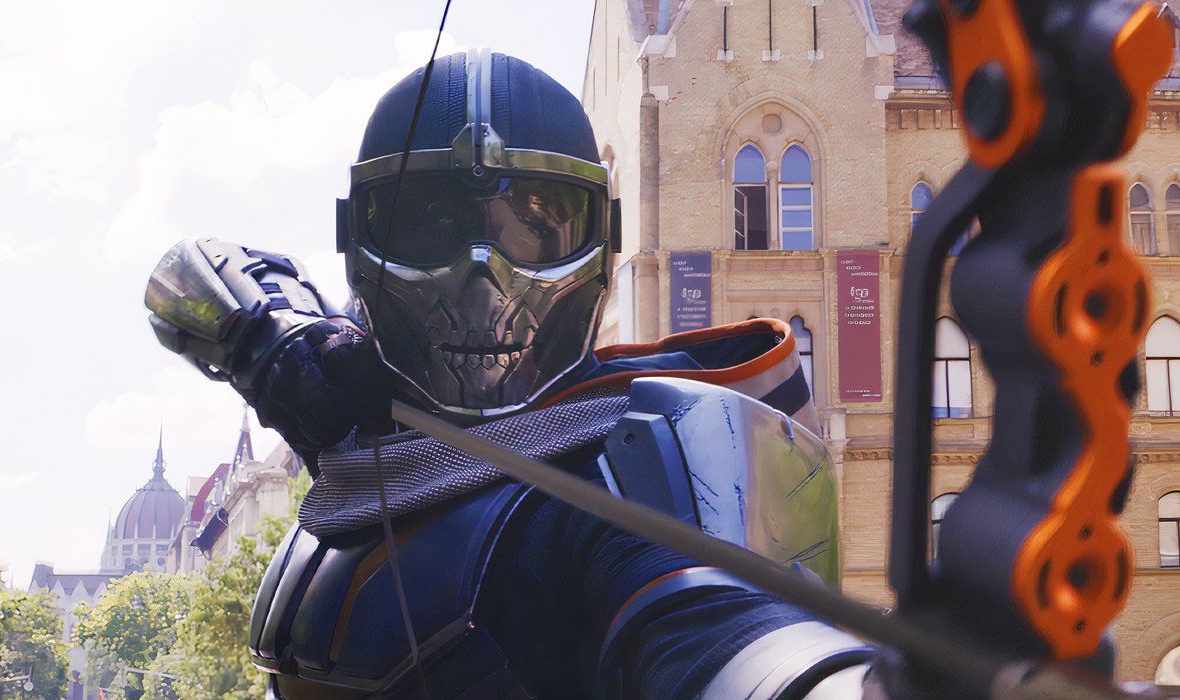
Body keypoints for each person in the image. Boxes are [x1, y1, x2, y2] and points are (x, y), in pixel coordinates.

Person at [145, 49, 870, 699]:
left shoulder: (621, 492)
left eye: (535, 230)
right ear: (358, 238)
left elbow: (720, 633)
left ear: (602, 241)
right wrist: (277, 339)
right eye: (428, 224)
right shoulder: (366, 433)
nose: (481, 275)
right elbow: (187, 277)